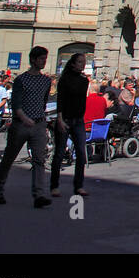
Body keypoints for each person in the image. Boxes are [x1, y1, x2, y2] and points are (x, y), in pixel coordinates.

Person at [0, 46, 54, 208]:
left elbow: (43, 102)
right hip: (21, 124)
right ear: (33, 60)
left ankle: (39, 194)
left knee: (39, 160)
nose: (43, 61)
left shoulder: (46, 81)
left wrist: (42, 121)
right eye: (41, 58)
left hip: (38, 123)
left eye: (45, 59)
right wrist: (24, 118)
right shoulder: (21, 80)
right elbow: (16, 104)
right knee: (9, 157)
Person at [51, 51, 90, 198]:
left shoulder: (84, 81)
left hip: (78, 120)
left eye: (84, 62)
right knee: (59, 153)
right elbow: (60, 100)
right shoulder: (65, 79)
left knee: (81, 153)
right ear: (73, 63)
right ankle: (54, 186)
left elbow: (81, 101)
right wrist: (59, 118)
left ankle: (79, 186)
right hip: (65, 118)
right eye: (80, 62)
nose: (83, 64)